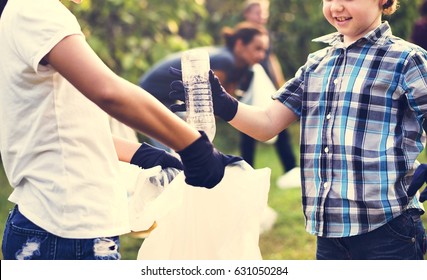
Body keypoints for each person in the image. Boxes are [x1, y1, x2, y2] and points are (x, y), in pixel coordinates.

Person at [170, 0, 427, 259]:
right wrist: (222, 103)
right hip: (328, 233)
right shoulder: (317, 63)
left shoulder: (405, 59)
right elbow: (268, 124)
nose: (335, 7)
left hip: (388, 228)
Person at [0, 0, 240, 260]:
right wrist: (195, 147)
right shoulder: (35, 10)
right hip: (65, 229)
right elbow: (109, 93)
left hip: (55, 223)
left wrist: (142, 153)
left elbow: (59, 128)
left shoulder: (21, 14)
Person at [139, 21, 269, 151]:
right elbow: (208, 105)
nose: (262, 56)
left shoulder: (238, 65)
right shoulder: (225, 61)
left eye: (264, 50)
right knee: (177, 152)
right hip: (150, 96)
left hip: (167, 99)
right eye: (257, 48)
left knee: (189, 148)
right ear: (240, 44)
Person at [242, 0, 300, 189]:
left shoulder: (265, 34)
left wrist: (280, 84)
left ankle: (291, 169)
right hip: (251, 89)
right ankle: (245, 174)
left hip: (268, 89)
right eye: (258, 12)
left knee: (279, 126)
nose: (263, 16)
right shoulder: (244, 34)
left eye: (264, 12)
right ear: (248, 14)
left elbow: (272, 59)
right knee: (248, 130)